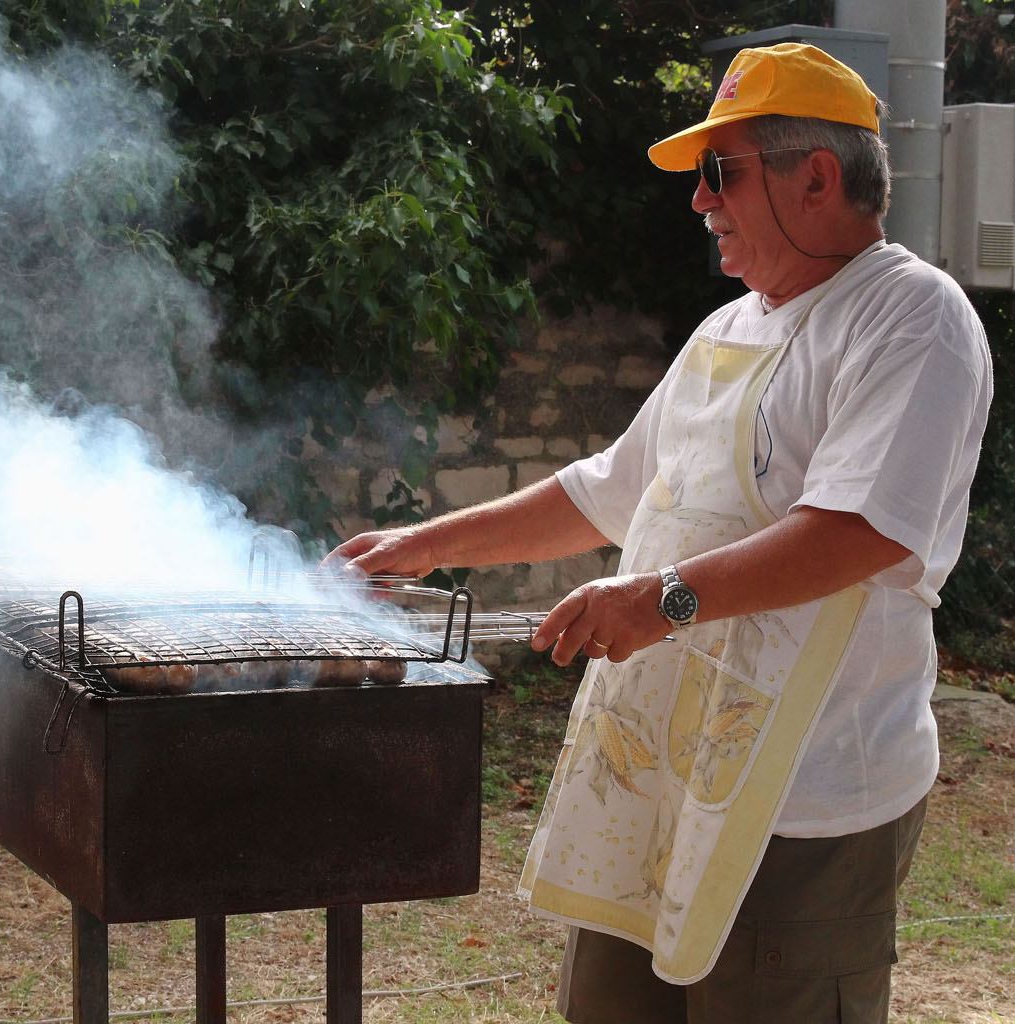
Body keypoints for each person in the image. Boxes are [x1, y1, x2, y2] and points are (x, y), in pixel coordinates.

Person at [326, 42, 992, 1024]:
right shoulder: (726, 330)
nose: (699, 201)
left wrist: (660, 599)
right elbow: (609, 490)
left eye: (722, 173)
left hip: (803, 802)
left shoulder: (910, 315)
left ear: (816, 178)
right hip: (663, 777)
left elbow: (858, 532)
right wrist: (428, 543)